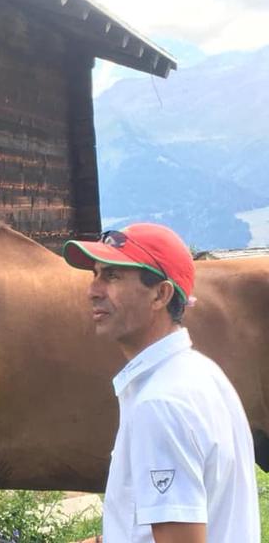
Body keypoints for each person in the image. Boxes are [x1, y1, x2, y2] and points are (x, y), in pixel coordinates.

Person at [62, 223, 259, 543]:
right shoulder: (202, 374)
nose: (93, 290)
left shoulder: (161, 402)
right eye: (95, 274)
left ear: (160, 294)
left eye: (112, 276)